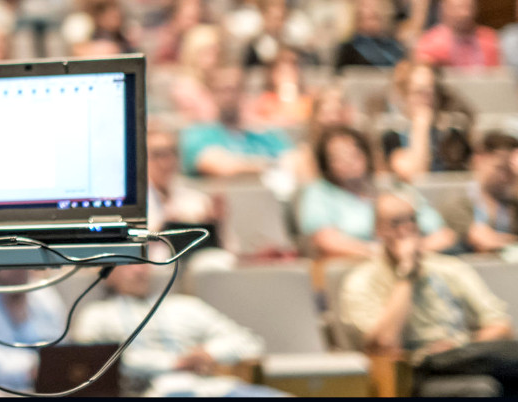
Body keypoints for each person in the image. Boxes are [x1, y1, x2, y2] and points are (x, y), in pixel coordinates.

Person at [339, 192, 518, 396]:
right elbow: (384, 344)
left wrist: (462, 345)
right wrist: (406, 275)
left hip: (463, 357)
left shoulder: (449, 268)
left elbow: (502, 326)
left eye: (412, 219)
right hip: (411, 372)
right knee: (480, 389)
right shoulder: (362, 280)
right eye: (396, 223)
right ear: (378, 230)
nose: (407, 229)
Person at [71, 263, 267, 396]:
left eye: (142, 262)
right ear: (107, 273)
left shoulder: (185, 307)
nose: (139, 271)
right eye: (128, 264)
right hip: (148, 392)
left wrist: (209, 353)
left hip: (212, 389)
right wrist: (174, 363)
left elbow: (249, 342)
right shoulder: (96, 315)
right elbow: (89, 363)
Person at [298, 128, 455, 259]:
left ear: (366, 154)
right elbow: (326, 242)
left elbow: (443, 236)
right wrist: (380, 254)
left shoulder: (395, 189)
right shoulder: (319, 193)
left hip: (412, 264)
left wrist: (410, 251)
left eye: (354, 153)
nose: (348, 161)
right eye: (338, 157)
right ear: (326, 164)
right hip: (354, 272)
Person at [179, 66, 295, 178]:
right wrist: (273, 164)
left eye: (234, 89)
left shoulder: (264, 134)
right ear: (212, 94)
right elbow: (219, 166)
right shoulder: (197, 134)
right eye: (222, 90)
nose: (228, 97)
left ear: (243, 93)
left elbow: (294, 161)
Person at [441, 132, 518, 254]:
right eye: (500, 168)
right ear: (479, 159)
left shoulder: (512, 203)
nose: (505, 177)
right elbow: (483, 241)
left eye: (510, 171)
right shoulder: (458, 201)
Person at [414, 0, 500, 68]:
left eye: (467, 6)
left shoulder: (490, 39)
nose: (464, 14)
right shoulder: (429, 43)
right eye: (457, 6)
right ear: (444, 7)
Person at [334, 0, 407, 71]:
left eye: (376, 5)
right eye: (366, 6)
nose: (371, 10)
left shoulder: (394, 46)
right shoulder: (349, 49)